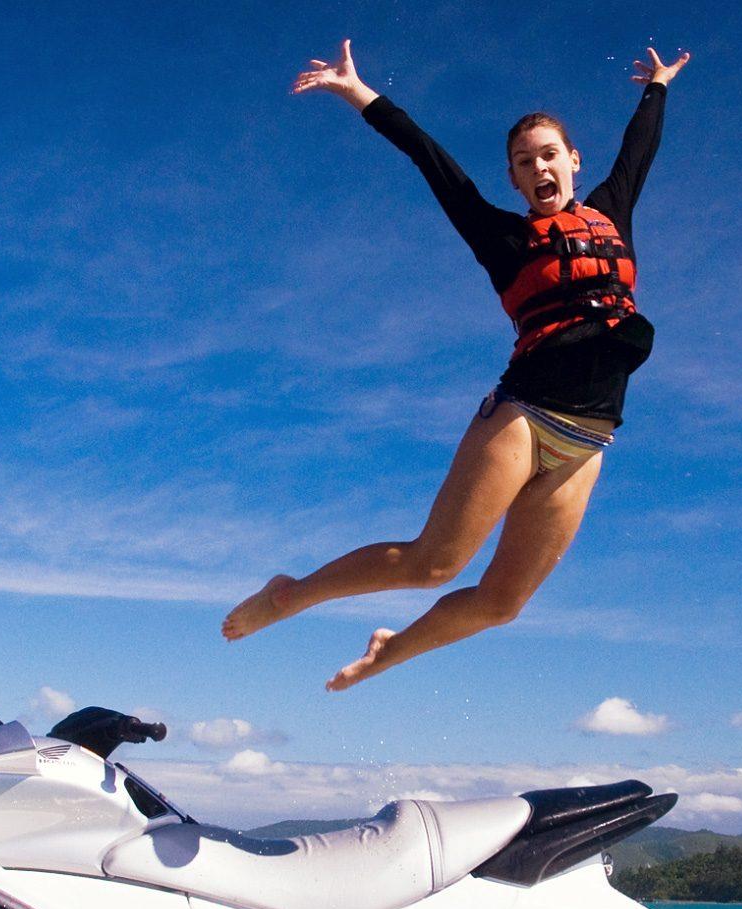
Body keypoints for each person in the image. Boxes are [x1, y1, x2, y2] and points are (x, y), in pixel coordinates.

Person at [224, 39, 690, 690]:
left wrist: (659, 86)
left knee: (501, 603)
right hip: (525, 416)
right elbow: (428, 156)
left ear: (573, 161)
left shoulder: (612, 210)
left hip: (590, 439)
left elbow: (641, 146)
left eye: (549, 155)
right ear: (514, 179)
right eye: (524, 162)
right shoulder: (499, 236)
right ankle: (291, 593)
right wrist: (359, 93)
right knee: (434, 563)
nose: (539, 168)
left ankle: (388, 652)